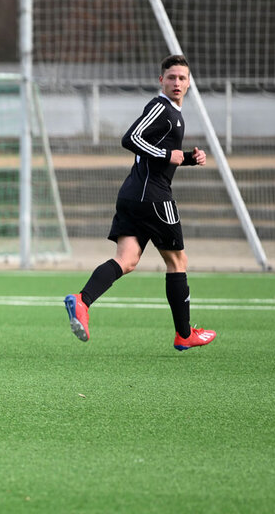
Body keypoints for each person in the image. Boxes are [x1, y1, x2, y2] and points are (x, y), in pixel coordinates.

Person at [64, 54, 217, 351]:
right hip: (154, 198)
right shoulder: (161, 106)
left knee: (127, 260)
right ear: (161, 80)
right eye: (171, 77)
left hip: (134, 195)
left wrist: (187, 158)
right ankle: (184, 334)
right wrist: (167, 155)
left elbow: (158, 153)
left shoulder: (172, 113)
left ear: (189, 83)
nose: (176, 82)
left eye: (182, 78)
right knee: (177, 262)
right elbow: (130, 138)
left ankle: (82, 301)